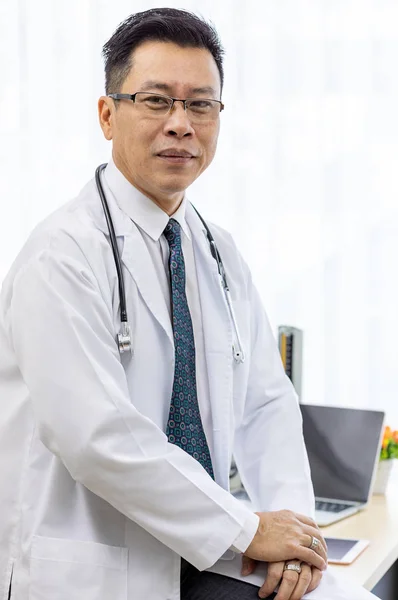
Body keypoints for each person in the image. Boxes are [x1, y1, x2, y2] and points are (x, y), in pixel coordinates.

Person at [0, 8, 377, 600]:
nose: (181, 124)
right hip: (98, 569)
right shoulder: (60, 257)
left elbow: (266, 405)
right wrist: (249, 528)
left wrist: (296, 535)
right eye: (156, 100)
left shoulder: (216, 251)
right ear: (107, 114)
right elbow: (98, 439)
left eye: (200, 104)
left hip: (204, 557)